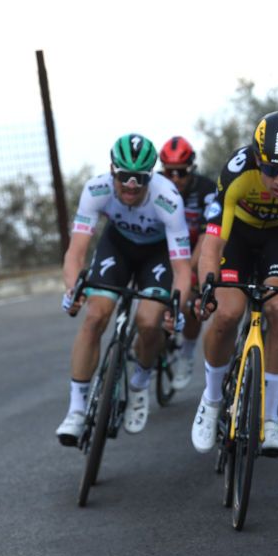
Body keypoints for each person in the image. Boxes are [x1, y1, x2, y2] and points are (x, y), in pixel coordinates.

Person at [189, 111, 278, 457]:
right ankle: (212, 400)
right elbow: (213, 241)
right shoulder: (237, 171)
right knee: (228, 312)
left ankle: (270, 419)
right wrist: (207, 284)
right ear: (257, 159)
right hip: (239, 237)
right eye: (271, 170)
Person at [56, 134, 191, 445]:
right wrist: (73, 289)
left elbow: (182, 269)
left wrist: (176, 307)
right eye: (123, 177)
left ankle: (140, 385)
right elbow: (76, 252)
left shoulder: (168, 199)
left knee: (149, 321)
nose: (130, 185)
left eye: (140, 179)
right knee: (95, 316)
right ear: (111, 171)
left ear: (151, 176)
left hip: (156, 255)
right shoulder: (96, 189)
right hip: (116, 247)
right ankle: (77, 410)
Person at [158, 136, 218, 390]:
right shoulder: (156, 188)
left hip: (195, 250)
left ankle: (187, 353)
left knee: (193, 298)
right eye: (168, 173)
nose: (174, 179)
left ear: (191, 169)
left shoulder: (206, 189)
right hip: (163, 250)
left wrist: (190, 272)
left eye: (180, 173)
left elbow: (206, 238)